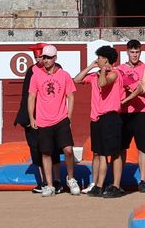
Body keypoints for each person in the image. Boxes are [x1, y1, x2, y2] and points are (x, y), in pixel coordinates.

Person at [27, 45, 80, 196]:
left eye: (49, 57)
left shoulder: (64, 75)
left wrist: (69, 116)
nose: (46, 60)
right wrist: (32, 117)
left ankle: (71, 178)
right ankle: (49, 185)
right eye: (44, 57)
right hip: (43, 120)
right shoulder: (36, 75)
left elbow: (70, 96)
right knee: (46, 152)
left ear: (55, 58)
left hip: (61, 118)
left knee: (68, 150)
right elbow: (31, 97)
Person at [77, 46, 124, 197]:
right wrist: (91, 67)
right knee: (101, 153)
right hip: (97, 118)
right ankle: (99, 185)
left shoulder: (115, 74)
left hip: (110, 116)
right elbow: (77, 79)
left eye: (99, 57)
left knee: (114, 153)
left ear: (106, 59)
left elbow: (103, 83)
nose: (97, 60)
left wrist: (103, 70)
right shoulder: (94, 75)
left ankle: (116, 186)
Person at [117, 41, 145, 192]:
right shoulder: (120, 69)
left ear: (140, 52)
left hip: (142, 111)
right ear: (127, 52)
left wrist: (129, 84)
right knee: (121, 147)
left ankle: (143, 180)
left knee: (143, 147)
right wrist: (135, 85)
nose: (135, 55)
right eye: (132, 52)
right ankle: (117, 181)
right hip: (124, 112)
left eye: (137, 52)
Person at [14, 45, 48, 190]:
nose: (39, 60)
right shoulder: (32, 71)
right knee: (36, 149)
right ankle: (43, 181)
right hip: (34, 116)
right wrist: (27, 118)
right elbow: (27, 96)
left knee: (50, 149)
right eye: (37, 58)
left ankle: (53, 181)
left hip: (49, 115)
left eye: (41, 57)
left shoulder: (56, 70)